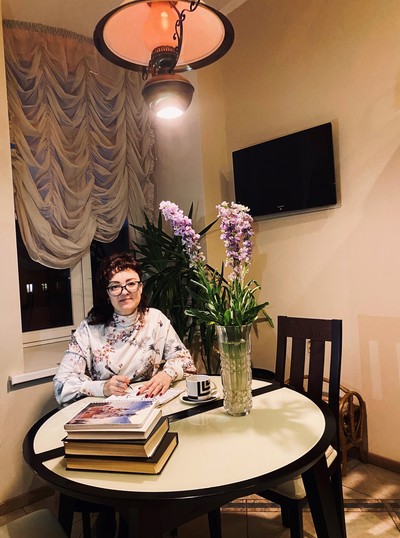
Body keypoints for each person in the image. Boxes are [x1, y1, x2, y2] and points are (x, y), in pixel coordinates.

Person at [54, 251, 197, 407]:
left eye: (131, 284)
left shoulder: (156, 319)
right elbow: (62, 386)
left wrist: (167, 374)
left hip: (150, 404)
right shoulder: (89, 329)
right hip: (107, 409)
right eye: (115, 286)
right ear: (107, 293)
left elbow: (186, 362)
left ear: (140, 287)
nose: (124, 291)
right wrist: (103, 387)